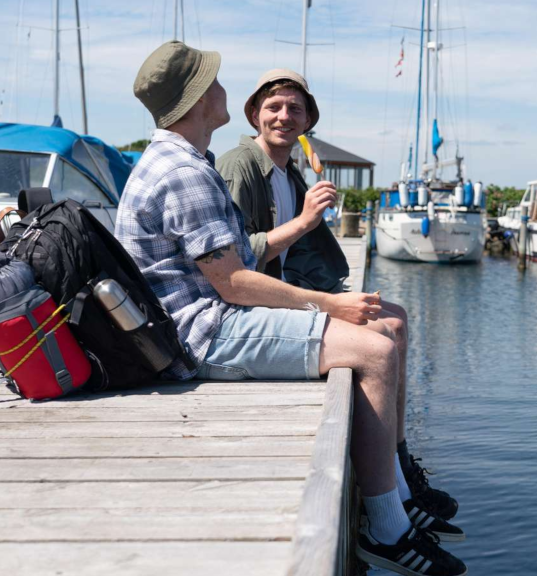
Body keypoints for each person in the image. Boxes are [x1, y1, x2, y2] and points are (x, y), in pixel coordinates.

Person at [118, 42, 466, 576]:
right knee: (375, 352)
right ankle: (387, 528)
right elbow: (232, 283)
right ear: (197, 99)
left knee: (381, 335)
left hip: (203, 319)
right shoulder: (185, 173)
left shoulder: (181, 160)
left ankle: (396, 495)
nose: (223, 90)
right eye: (213, 83)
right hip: (203, 333)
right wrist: (330, 304)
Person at [216, 69, 455, 528]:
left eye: (295, 109)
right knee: (381, 338)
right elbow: (238, 261)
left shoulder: (290, 171)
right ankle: (389, 504)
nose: (284, 117)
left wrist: (317, 239)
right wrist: (306, 221)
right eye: (273, 107)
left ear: (308, 122)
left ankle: (401, 469)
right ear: (253, 114)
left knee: (398, 318)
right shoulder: (240, 166)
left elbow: (299, 252)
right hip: (253, 305)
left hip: (289, 290)